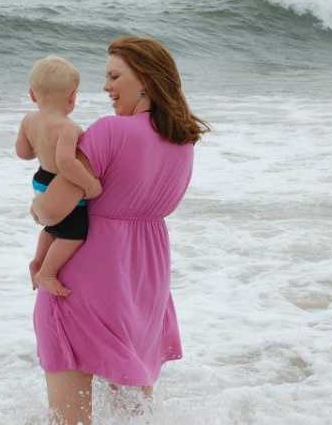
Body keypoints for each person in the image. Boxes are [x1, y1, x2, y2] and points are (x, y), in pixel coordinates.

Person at [31, 36, 209, 424]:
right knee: (133, 413)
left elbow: (53, 209)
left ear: (144, 79)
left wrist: (36, 205)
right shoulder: (183, 140)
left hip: (84, 277)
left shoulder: (110, 131)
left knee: (69, 420)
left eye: (114, 76)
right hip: (144, 278)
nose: (106, 87)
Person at [16, 56, 103, 298]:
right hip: (60, 185)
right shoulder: (67, 127)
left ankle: (37, 261)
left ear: (32, 95)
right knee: (74, 233)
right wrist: (90, 185)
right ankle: (47, 272)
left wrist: (39, 145)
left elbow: (23, 153)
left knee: (53, 227)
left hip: (41, 179)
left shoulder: (29, 120)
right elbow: (66, 163)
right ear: (73, 97)